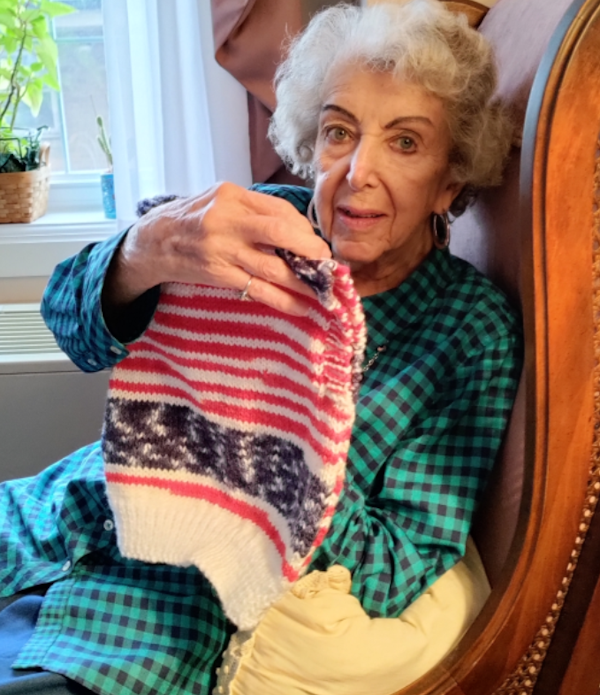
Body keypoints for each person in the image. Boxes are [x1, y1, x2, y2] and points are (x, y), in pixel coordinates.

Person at [0, 2, 523, 694]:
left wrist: (280, 439)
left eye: (404, 142)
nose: (358, 171)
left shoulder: (468, 330)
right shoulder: (255, 223)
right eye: (339, 131)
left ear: (448, 181)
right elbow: (69, 323)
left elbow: (395, 567)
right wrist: (141, 252)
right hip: (41, 521)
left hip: (138, 625)